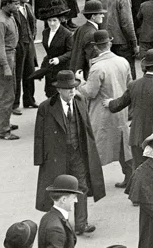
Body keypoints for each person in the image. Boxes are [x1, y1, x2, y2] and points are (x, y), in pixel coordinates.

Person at [34, 70, 105, 236]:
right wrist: (40, 159)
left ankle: (81, 224)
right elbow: (39, 135)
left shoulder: (80, 101)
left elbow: (87, 128)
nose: (72, 90)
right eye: (68, 88)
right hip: (56, 157)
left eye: (74, 87)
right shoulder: (47, 107)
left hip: (77, 153)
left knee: (81, 187)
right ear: (59, 90)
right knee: (58, 191)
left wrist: (91, 150)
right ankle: (60, 223)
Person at [76, 30, 132, 192]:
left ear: (96, 47)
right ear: (110, 43)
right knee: (123, 146)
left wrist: (80, 82)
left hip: (101, 114)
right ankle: (130, 177)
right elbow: (130, 85)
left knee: (95, 149)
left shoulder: (97, 67)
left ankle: (93, 184)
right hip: (121, 110)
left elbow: (90, 92)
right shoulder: (123, 61)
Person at [0, 0, 23, 140]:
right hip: (3, 58)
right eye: (16, 4)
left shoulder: (8, 17)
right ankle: (3, 131)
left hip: (11, 56)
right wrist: (5, 66)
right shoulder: (1, 22)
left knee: (10, 92)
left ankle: (3, 124)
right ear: (7, 4)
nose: (18, 6)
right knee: (6, 96)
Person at [37, 174, 82, 248]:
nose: (76, 201)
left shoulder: (47, 217)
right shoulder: (57, 230)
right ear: (63, 200)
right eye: (74, 197)